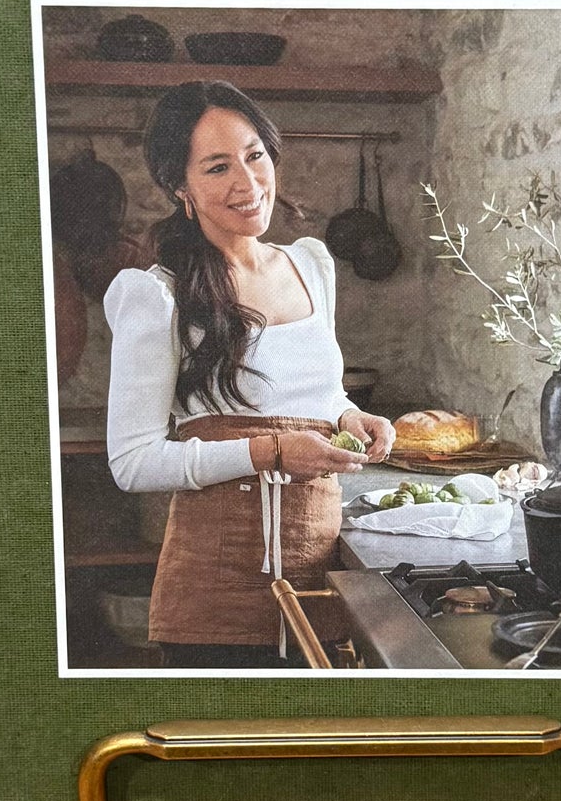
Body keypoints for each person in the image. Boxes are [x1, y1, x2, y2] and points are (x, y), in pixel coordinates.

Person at [103, 79, 394, 664]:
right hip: (213, 600)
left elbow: (315, 390)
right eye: (217, 167)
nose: (248, 182)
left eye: (255, 155)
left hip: (317, 579)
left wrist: (349, 416)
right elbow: (132, 463)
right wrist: (271, 452)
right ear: (179, 186)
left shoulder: (311, 264)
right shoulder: (157, 295)